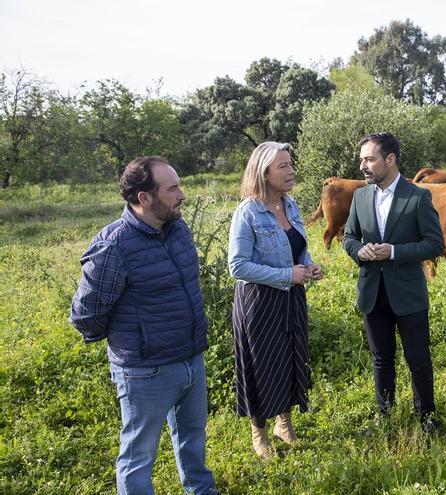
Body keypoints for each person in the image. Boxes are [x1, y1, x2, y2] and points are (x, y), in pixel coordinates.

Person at [69, 156, 218, 495]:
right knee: (138, 456)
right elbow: (85, 315)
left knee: (193, 440)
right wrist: (134, 341)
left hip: (191, 357)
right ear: (144, 198)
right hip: (145, 372)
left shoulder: (178, 229)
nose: (182, 194)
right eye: (173, 188)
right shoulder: (114, 245)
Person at [342, 132, 445, 434]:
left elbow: (435, 244)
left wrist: (395, 251)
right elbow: (349, 237)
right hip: (373, 292)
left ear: (390, 160)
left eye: (369, 159)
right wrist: (359, 251)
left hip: (408, 293)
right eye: (361, 159)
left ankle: (426, 417)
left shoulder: (417, 196)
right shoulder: (360, 196)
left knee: (418, 359)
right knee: (381, 358)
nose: (363, 165)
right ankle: (383, 416)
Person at [227, 142, 323, 459]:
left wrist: (308, 265)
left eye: (290, 163)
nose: (291, 170)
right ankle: (260, 433)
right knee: (261, 365)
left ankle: (285, 424)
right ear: (263, 172)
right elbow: (237, 266)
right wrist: (286, 274)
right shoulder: (248, 212)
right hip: (259, 302)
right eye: (283, 165)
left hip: (291, 297)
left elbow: (297, 247)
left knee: (290, 359)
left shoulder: (291, 204)